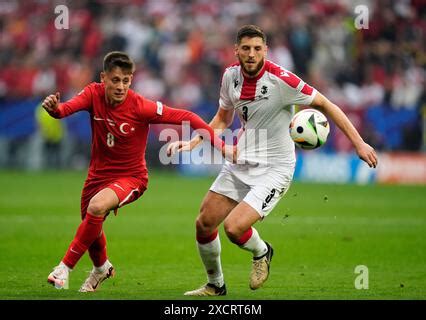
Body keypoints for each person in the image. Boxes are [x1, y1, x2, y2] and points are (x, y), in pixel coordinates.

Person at [167, 25, 378, 296]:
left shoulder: (282, 80)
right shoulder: (230, 76)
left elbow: (326, 104)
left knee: (234, 228)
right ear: (236, 51)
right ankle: (215, 285)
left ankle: (263, 252)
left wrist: (359, 143)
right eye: (246, 49)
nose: (252, 54)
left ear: (265, 50)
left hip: (275, 168)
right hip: (242, 161)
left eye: (257, 48)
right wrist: (196, 140)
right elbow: (222, 119)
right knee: (204, 222)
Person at [42, 51, 235, 292]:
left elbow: (188, 117)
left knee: (96, 207)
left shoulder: (141, 106)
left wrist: (222, 147)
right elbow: (64, 110)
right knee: (90, 224)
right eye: (115, 80)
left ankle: (64, 269)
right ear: (103, 78)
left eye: (126, 80)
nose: (121, 86)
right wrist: (54, 109)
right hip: (96, 176)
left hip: (131, 178)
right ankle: (101, 268)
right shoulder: (93, 94)